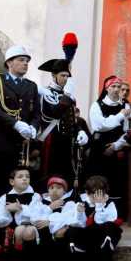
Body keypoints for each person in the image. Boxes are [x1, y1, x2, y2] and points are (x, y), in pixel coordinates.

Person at [0, 46, 40, 192]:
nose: (25, 63)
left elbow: (36, 113)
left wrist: (33, 126)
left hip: (20, 145)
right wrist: (16, 124)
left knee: (18, 187)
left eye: (27, 61)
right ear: (9, 63)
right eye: (21, 60)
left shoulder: (31, 86)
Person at [37, 59, 89, 189]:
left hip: (68, 141)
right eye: (62, 75)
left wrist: (79, 130)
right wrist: (67, 96)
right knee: (51, 175)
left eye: (67, 76)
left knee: (68, 175)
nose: (65, 79)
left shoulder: (69, 95)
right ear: (54, 75)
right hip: (52, 139)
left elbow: (71, 118)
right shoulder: (45, 93)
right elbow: (53, 113)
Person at [0, 167, 43, 261]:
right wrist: (6, 209)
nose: (25, 179)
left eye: (27, 177)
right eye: (20, 177)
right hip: (6, 227)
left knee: (22, 231)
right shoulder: (5, 197)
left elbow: (38, 213)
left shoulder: (35, 196)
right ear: (12, 182)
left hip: (27, 226)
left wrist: (22, 208)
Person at [88, 76, 131, 216]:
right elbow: (99, 125)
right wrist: (119, 116)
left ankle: (117, 213)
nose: (116, 89)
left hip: (117, 147)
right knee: (99, 180)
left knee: (118, 180)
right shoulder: (97, 105)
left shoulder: (126, 106)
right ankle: (98, 211)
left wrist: (116, 145)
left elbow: (128, 130)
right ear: (106, 88)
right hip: (99, 148)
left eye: (119, 87)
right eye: (113, 86)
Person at [67, 175, 122, 261]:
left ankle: (106, 252)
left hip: (103, 233)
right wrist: (80, 213)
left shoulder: (110, 203)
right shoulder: (82, 202)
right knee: (72, 229)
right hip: (88, 234)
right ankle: (78, 251)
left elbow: (104, 222)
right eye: (93, 194)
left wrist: (99, 206)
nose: (97, 197)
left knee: (110, 226)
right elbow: (80, 224)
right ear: (87, 193)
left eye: (99, 193)